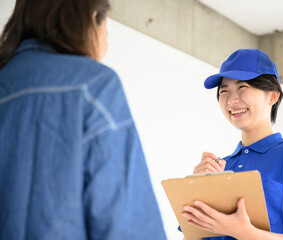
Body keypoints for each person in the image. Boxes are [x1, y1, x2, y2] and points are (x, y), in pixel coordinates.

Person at [0, 0, 167, 239]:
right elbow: (131, 229)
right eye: (106, 31)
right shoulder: (94, 87)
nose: (106, 43)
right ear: (89, 20)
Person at [181, 49, 283, 240]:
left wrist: (244, 232)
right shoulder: (218, 167)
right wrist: (195, 189)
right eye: (224, 91)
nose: (231, 100)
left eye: (243, 87)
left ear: (272, 96)